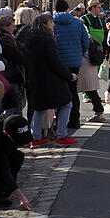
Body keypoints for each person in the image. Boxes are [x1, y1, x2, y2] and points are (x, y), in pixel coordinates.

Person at [22, 13, 79, 147]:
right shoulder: (47, 39)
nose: (53, 24)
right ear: (44, 24)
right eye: (51, 22)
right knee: (66, 103)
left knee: (40, 107)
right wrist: (69, 75)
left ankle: (35, 137)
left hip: (35, 78)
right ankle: (62, 135)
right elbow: (55, 61)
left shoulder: (30, 37)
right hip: (50, 79)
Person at [52, 0, 90, 130]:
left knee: (57, 91)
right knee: (73, 91)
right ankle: (74, 120)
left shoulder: (51, 22)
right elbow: (86, 42)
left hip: (57, 62)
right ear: (68, 9)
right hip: (74, 61)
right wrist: (78, 53)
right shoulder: (77, 23)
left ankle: (57, 121)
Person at [80, 0, 107, 117]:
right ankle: (87, 94)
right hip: (89, 50)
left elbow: (105, 33)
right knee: (89, 74)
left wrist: (106, 48)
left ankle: (90, 93)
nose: (99, 9)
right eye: (97, 7)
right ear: (92, 8)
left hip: (98, 49)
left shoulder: (101, 20)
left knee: (95, 74)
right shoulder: (85, 19)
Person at [0, 16, 26, 114]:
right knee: (10, 104)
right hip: (10, 75)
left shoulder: (7, 37)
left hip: (8, 74)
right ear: (5, 26)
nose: (14, 28)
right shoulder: (5, 39)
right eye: (12, 26)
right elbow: (17, 56)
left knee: (6, 103)